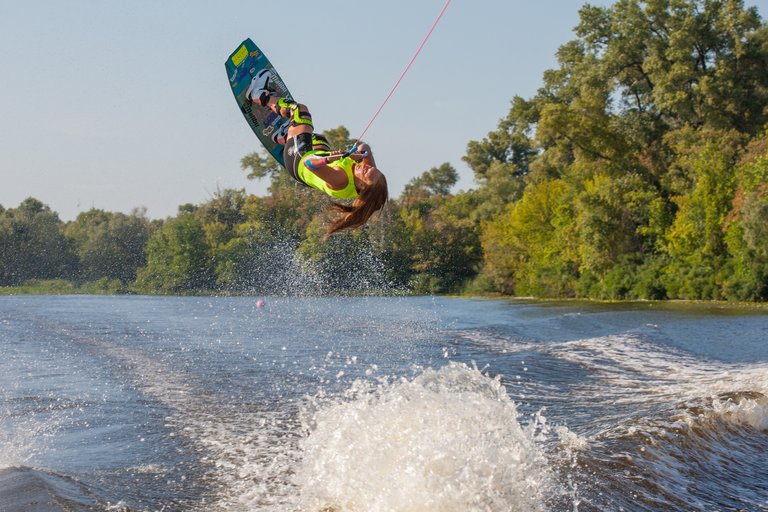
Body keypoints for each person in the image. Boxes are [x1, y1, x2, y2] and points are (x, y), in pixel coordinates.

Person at [246, 70, 388, 236]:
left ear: (362, 185)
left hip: (298, 159)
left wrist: (333, 157)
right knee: (319, 138)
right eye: (373, 168)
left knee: (300, 110)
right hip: (313, 158)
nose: (367, 166)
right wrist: (362, 153)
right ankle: (284, 136)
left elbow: (310, 164)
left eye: (368, 171)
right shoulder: (366, 179)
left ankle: (259, 95)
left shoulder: (340, 180)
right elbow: (365, 148)